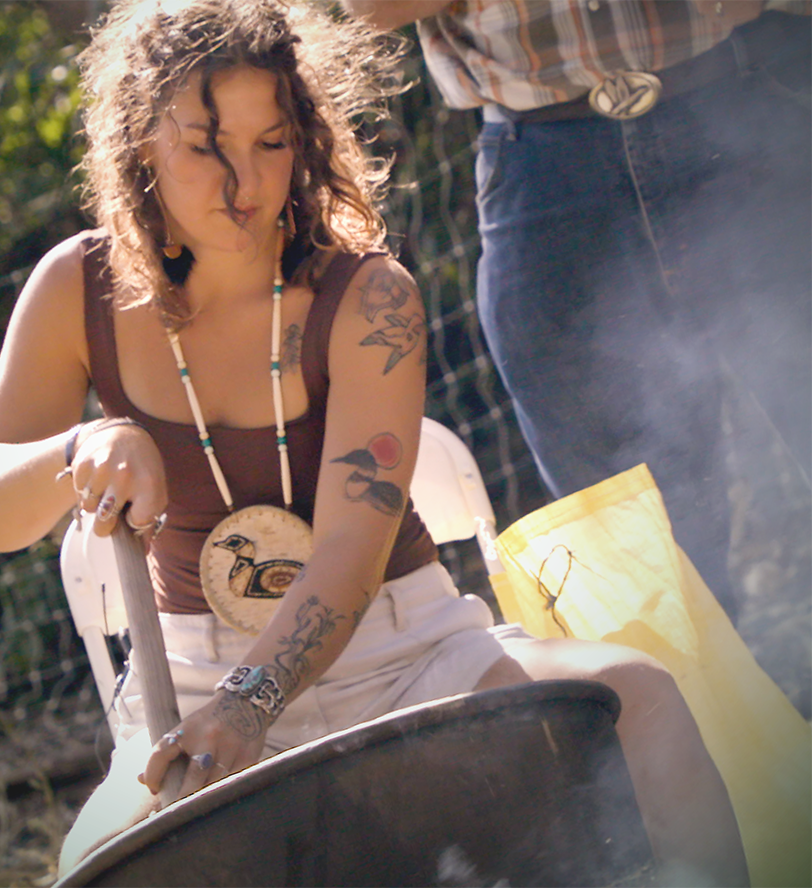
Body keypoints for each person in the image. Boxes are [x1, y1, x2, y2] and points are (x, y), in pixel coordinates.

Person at [0, 1, 748, 884]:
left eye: (271, 142)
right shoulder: (76, 287)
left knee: (640, 697)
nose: (243, 182)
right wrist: (76, 451)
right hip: (193, 683)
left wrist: (252, 705)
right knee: (95, 866)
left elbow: (351, 557)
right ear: (139, 142)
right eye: (206, 145)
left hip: (406, 652)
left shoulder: (369, 298)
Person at [340, 0, 812, 621]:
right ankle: (711, 719)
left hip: (742, 112)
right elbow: (373, 8)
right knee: (643, 572)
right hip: (543, 164)